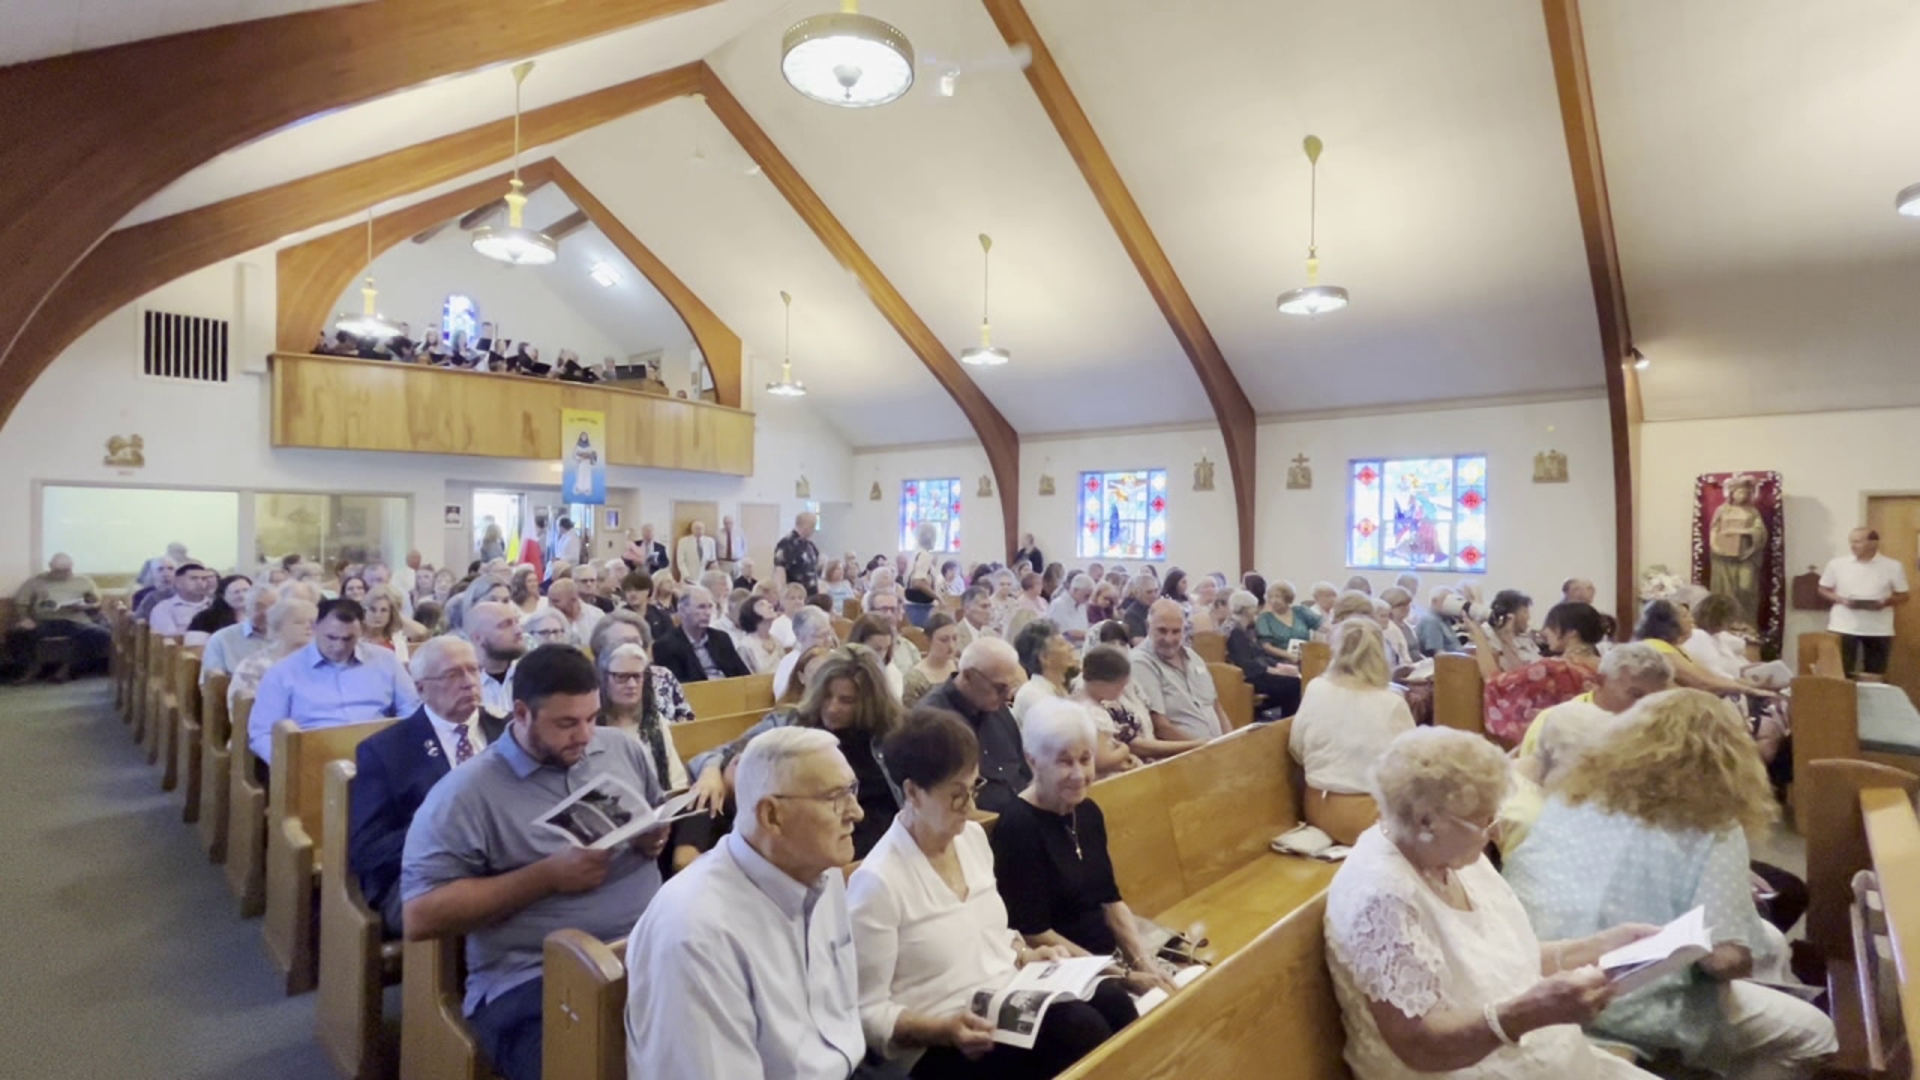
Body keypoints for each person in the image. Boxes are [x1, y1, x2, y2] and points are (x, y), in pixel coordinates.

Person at [1504, 690, 1837, 1076]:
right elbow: (1722, 960)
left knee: (1768, 946)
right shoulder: (1712, 823)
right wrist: (1742, 954)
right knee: (1814, 1034)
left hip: (1537, 975)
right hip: (1619, 1005)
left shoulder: (1573, 797)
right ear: (1730, 759)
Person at [1323, 727, 1661, 1080]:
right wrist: (1526, 1014)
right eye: (1484, 821)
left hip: (1542, 1059)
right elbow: (1418, 1046)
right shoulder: (1383, 897)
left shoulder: (1446, 853)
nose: (1496, 833)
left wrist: (1601, 947)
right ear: (1427, 820)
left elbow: (1499, 963)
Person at [401, 645, 669, 1080]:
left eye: (592, 718)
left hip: (650, 946)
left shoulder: (621, 750)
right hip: (534, 978)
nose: (585, 735)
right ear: (521, 713)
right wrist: (545, 877)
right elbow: (421, 916)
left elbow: (653, 814)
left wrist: (651, 839)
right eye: (566, 723)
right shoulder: (466, 793)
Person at [849, 709, 1138, 1078]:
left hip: (1002, 999)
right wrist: (941, 1029)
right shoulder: (879, 882)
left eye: (974, 788)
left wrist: (1026, 953)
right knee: (1076, 1031)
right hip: (939, 1039)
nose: (970, 807)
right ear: (912, 792)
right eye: (956, 795)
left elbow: (993, 934)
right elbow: (866, 1011)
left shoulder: (970, 840)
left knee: (1113, 999)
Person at [625, 727, 866, 1080]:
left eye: (852, 791)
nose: (856, 812)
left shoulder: (819, 872)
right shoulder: (696, 933)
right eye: (835, 797)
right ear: (771, 816)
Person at [990, 700, 1181, 987]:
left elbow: (1110, 900)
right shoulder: (1019, 826)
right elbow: (1034, 932)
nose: (1079, 775)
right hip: (1063, 966)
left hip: (1107, 958)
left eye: (1085, 759)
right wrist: (1124, 977)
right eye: (1064, 762)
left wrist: (1143, 962)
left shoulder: (1087, 811)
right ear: (1032, 760)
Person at [348, 637, 508, 936]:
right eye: (452, 675)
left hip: (508, 861)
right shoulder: (387, 750)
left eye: (474, 671)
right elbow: (369, 850)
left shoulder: (508, 732)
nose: (469, 682)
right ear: (421, 688)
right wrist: (447, 835)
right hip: (422, 877)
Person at [686, 647, 902, 857]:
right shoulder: (790, 721)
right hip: (815, 849)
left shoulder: (891, 734)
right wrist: (711, 769)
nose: (832, 707)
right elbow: (721, 753)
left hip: (885, 850)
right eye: (826, 696)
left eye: (846, 701)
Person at [1499, 643, 1675, 856]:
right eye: (1635, 695)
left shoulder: (1653, 728)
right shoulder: (1560, 722)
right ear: (1598, 682)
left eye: (1655, 701)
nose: (1646, 709)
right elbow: (1541, 798)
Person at [248, 598, 423, 764]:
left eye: (348, 639)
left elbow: (411, 709)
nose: (339, 646)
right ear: (315, 627)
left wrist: (404, 748)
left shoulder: (385, 660)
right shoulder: (284, 671)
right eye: (331, 637)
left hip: (379, 753)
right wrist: (292, 765)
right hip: (313, 758)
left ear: (361, 630)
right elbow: (262, 733)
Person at [1289, 619, 1415, 844]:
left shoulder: (1316, 688)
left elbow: (1296, 749)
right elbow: (1411, 767)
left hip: (1316, 807)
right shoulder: (1391, 702)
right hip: (1367, 817)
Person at [1460, 602, 1604, 749]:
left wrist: (1477, 634)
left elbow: (1495, 681)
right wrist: (1506, 639)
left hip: (1556, 747)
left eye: (1551, 626)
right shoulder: (1604, 665)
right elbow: (1524, 676)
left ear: (1572, 632)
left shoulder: (1555, 668)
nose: (1545, 631)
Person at [914, 639, 1032, 815]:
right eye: (999, 688)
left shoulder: (997, 708)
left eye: (1010, 687)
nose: (1007, 696)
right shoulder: (931, 721)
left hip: (1019, 817)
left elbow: (1023, 770)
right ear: (968, 676)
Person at [1073, 641, 1197, 767]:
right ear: (1104, 684)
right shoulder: (1092, 712)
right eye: (1120, 687)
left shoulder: (1091, 704)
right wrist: (1124, 750)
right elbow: (1104, 759)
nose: (1121, 693)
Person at [1633, 600, 1777, 699]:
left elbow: (1710, 675)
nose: (1691, 620)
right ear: (1667, 622)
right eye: (1684, 616)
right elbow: (1701, 682)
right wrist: (1749, 690)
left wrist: (1749, 684)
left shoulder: (1674, 647)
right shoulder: (1656, 646)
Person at [1129, 599, 1227, 742]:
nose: (1169, 639)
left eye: (1176, 631)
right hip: (1185, 754)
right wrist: (1204, 749)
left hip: (1215, 749)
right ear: (1148, 627)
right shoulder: (1140, 662)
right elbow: (1161, 727)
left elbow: (1216, 707)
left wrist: (1231, 741)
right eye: (1162, 630)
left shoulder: (1193, 657)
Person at [596, 642, 689, 792]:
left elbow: (676, 780)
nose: (632, 684)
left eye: (637, 676)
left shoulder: (655, 721)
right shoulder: (592, 726)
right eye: (622, 677)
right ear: (605, 679)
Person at [1818, 526, 1910, 678]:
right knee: (1840, 674)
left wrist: (1885, 602)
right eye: (1851, 542)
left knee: (1874, 674)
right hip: (1843, 626)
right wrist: (1841, 599)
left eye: (1858, 542)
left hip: (1878, 629)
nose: (1853, 546)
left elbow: (1904, 595)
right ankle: (1843, 702)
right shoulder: (1837, 564)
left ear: (1873, 543)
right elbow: (1823, 589)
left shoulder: (1893, 566)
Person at [8, 553, 112, 679]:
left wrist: (86, 607)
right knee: (17, 633)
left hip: (76, 620)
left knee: (101, 634)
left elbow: (96, 602)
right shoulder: (36, 582)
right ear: (50, 567)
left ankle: (69, 668)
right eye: (58, 571)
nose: (62, 574)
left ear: (71, 568)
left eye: (65, 571)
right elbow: (21, 603)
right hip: (45, 621)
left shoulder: (84, 581)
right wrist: (25, 618)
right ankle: (32, 666)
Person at [1223, 589, 1303, 716]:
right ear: (1246, 609)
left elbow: (1259, 653)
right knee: (1294, 685)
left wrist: (1279, 666)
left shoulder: (1248, 628)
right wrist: (1273, 670)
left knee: (1294, 678)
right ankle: (1286, 723)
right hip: (1248, 676)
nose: (1257, 611)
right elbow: (1245, 663)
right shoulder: (1235, 631)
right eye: (1254, 608)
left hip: (1257, 671)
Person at [228, 596, 318, 709]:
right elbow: (242, 713)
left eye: (314, 622)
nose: (309, 627)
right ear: (277, 627)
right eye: (299, 622)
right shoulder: (254, 667)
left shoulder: (327, 662)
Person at [653, 586, 751, 684]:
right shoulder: (666, 646)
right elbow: (678, 688)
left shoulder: (721, 638)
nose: (707, 613)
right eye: (701, 607)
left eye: (710, 607)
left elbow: (744, 677)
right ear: (682, 610)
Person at [200, 582, 278, 685]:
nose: (267, 613)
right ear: (246, 609)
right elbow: (211, 684)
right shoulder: (221, 639)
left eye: (274, 607)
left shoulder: (292, 637)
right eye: (259, 607)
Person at [1011, 619, 1074, 727]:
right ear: (1044, 658)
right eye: (1062, 644)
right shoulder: (1033, 695)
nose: (1071, 647)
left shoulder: (1060, 689)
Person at [774, 606, 839, 700]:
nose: (828, 640)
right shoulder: (789, 663)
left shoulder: (836, 656)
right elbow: (784, 698)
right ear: (800, 637)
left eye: (829, 633)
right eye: (821, 636)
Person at [1253, 580, 1319, 661]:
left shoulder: (1300, 611)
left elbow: (1322, 625)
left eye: (1277, 597)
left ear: (1288, 598)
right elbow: (1266, 646)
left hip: (1306, 657)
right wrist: (1289, 655)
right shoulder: (1264, 618)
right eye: (1271, 597)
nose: (1273, 601)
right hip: (1279, 662)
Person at [904, 613, 960, 708]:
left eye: (954, 638)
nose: (951, 646)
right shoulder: (915, 679)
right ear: (928, 640)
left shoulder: (960, 666)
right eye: (944, 640)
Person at [149, 562, 218, 637]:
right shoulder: (163, 608)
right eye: (194, 578)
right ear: (178, 582)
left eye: (203, 579)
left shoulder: (216, 605)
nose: (200, 582)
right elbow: (169, 639)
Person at [847, 614, 906, 702]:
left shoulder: (891, 672)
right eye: (876, 649)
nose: (882, 655)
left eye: (886, 648)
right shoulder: (843, 670)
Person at [185, 573, 252, 642]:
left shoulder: (260, 616)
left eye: (246, 590)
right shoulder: (204, 618)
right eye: (236, 592)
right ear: (223, 596)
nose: (242, 595)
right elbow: (195, 648)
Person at [736, 593, 789, 675]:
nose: (770, 606)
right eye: (762, 605)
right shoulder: (745, 646)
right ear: (750, 613)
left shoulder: (777, 641)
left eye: (768, 603)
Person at [618, 571, 675, 646]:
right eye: (629, 590)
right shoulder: (619, 618)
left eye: (637, 590)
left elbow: (670, 642)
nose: (633, 594)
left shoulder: (661, 617)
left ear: (647, 591)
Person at [361, 583, 412, 663]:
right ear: (365, 612)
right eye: (373, 610)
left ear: (391, 614)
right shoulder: (355, 639)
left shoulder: (397, 642)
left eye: (384, 610)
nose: (377, 615)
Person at [773, 511, 823, 593]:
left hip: (811, 593)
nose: (814, 530)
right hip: (795, 593)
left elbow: (815, 568)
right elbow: (780, 571)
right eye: (812, 526)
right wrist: (781, 592)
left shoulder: (810, 545)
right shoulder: (786, 544)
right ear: (804, 526)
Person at [544, 579, 602, 647]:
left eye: (555, 601)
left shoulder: (596, 616)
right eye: (549, 600)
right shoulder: (544, 618)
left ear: (573, 600)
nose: (550, 605)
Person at [1414, 587, 1466, 655]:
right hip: (1449, 662)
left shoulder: (1445, 619)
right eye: (1446, 601)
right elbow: (1438, 653)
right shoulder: (1431, 621)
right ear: (1434, 601)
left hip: (1459, 659)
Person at [1046, 573, 1094, 647]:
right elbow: (1066, 633)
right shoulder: (1058, 604)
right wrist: (1092, 635)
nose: (1088, 599)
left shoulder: (1082, 605)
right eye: (1086, 596)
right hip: (1062, 650)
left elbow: (1084, 628)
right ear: (1075, 590)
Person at [1117, 573, 1158, 644]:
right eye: (1149, 592)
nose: (1154, 595)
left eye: (1156, 591)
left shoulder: (1158, 609)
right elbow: (1137, 641)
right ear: (1137, 593)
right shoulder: (1132, 614)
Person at [953, 586, 995, 652]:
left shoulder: (992, 634)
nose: (988, 612)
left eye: (989, 606)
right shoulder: (955, 636)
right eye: (983, 607)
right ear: (967, 609)